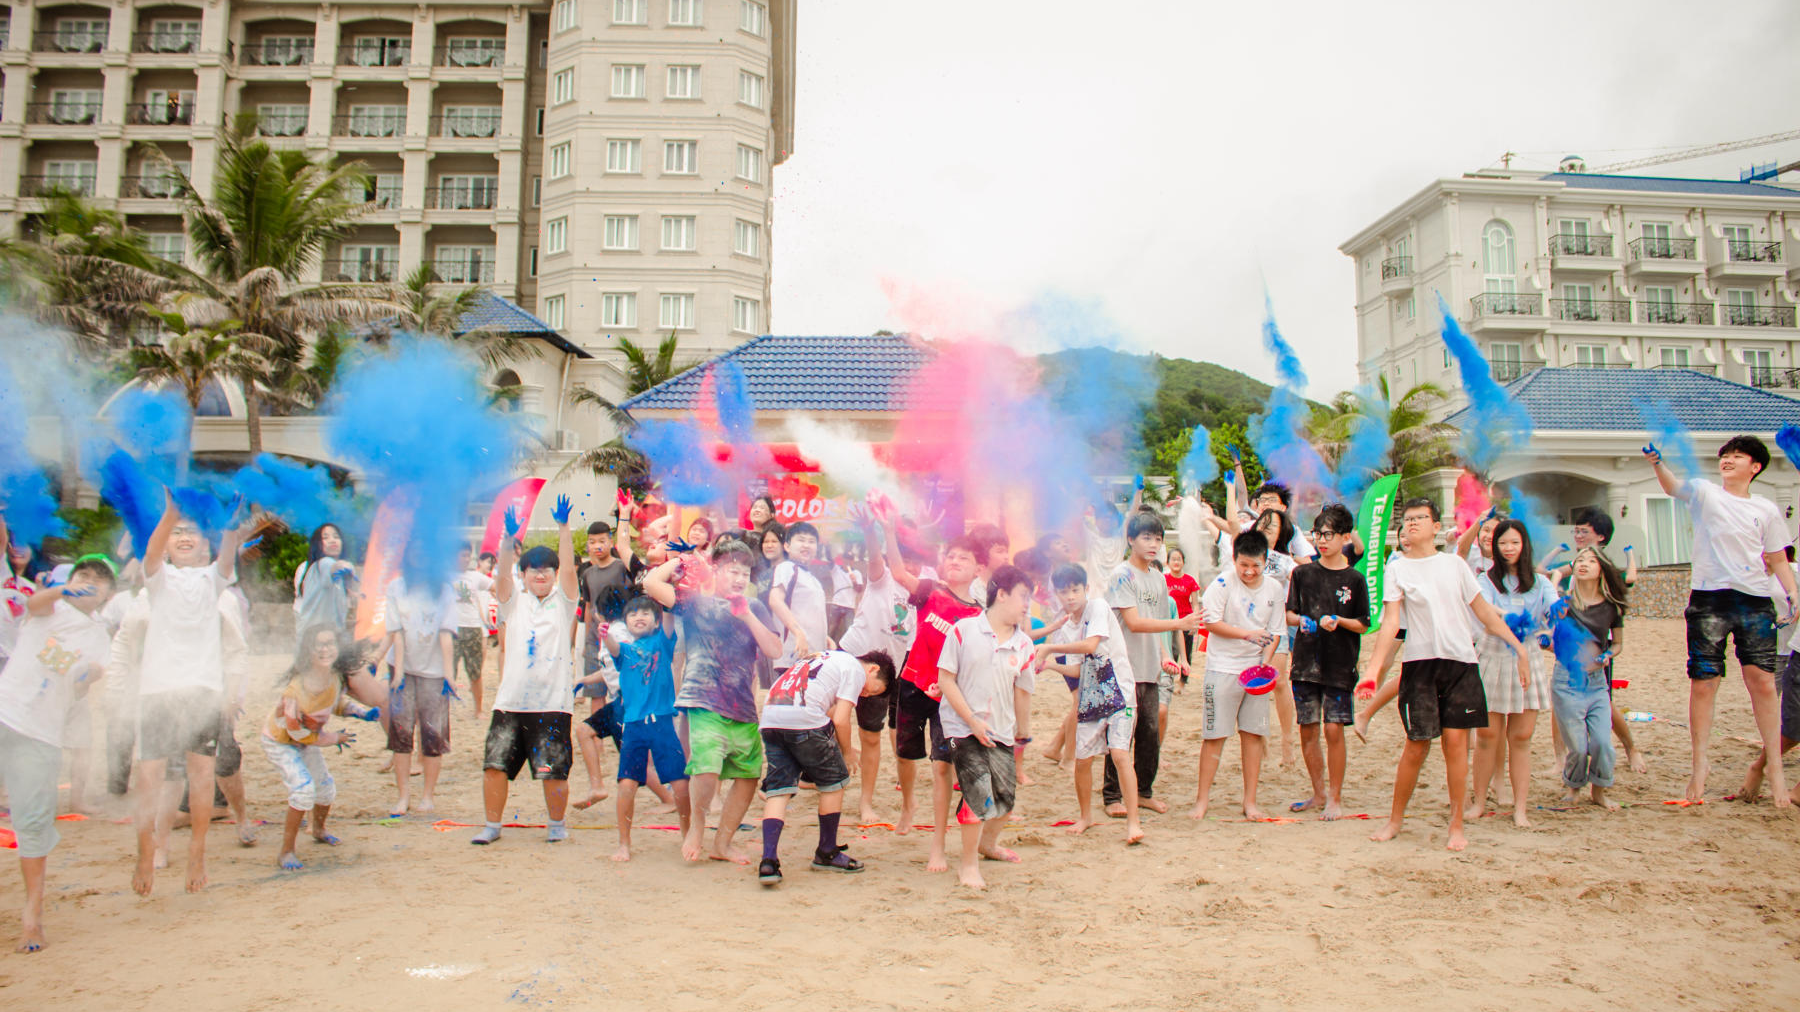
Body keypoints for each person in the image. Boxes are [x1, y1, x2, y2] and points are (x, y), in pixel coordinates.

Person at [1366, 498, 1532, 851]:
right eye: (1407, 519)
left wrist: (1518, 648)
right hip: (1420, 665)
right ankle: (1395, 821)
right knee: (1416, 746)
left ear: (1435, 527)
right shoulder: (1396, 569)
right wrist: (1373, 668)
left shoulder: (1454, 565)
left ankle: (1456, 825)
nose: (1411, 524)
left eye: (1419, 518)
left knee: (1456, 746)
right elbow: (1391, 623)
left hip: (1460, 663)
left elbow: (1485, 613)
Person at [1645, 436, 1796, 806]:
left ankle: (1774, 767)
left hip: (1755, 600)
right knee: (1704, 682)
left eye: (1737, 456)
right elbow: (1673, 486)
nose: (1727, 460)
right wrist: (1656, 463)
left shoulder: (1766, 509)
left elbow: (1777, 559)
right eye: (1724, 456)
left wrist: (1792, 594)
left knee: (1761, 681)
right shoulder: (1705, 492)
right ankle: (1700, 766)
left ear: (1755, 467)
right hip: (1709, 597)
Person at [131, 496, 253, 895]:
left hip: (201, 691)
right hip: (158, 691)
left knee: (201, 776)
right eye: (177, 533)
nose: (184, 537)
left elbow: (227, 562)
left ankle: (197, 851)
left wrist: (230, 527)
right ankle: (145, 850)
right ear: (168, 542)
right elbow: (150, 552)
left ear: (206, 544)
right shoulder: (158, 578)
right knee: (148, 778)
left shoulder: (213, 580)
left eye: (193, 533)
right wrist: (170, 512)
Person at [643, 538, 784, 864]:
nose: (739, 578)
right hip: (702, 699)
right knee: (706, 767)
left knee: (748, 776)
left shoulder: (756, 607)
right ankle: (698, 826)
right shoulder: (696, 602)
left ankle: (723, 843)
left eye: (745, 572)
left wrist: (747, 614)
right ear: (716, 570)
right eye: (732, 570)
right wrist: (683, 560)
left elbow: (775, 651)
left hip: (742, 705)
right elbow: (651, 583)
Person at [0, 555, 115, 952]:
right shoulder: (49, 608)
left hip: (42, 734)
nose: (89, 584)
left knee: (32, 826)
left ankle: (33, 918)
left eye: (99, 582)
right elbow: (35, 604)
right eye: (83, 576)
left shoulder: (100, 637)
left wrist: (88, 677)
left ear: (108, 595)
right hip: (4, 712)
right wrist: (64, 589)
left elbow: (83, 684)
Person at [876, 507, 983, 871]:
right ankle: (908, 804)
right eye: (950, 556)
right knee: (904, 754)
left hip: (945, 696)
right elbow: (897, 572)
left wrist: (949, 685)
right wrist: (890, 532)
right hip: (911, 683)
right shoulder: (930, 591)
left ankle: (937, 844)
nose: (954, 562)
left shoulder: (977, 616)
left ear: (977, 569)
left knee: (941, 768)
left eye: (963, 558)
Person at [471, 497, 579, 845]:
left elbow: (569, 572)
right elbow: (502, 575)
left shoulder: (564, 603)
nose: (541, 574)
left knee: (553, 771)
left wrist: (564, 529)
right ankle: (492, 826)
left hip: (552, 703)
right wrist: (507, 539)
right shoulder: (513, 602)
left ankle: (557, 826)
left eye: (547, 568)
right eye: (534, 569)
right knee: (495, 766)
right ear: (525, 574)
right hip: (511, 701)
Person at [756, 649, 894, 885]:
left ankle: (768, 861)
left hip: (771, 715)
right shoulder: (854, 668)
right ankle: (827, 851)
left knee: (779, 790)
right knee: (835, 781)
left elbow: (824, 708)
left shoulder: (825, 656)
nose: (864, 694)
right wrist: (848, 752)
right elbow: (840, 719)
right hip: (802, 720)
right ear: (873, 669)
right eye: (871, 689)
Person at [937, 565, 1037, 890]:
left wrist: (1023, 733)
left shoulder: (1025, 646)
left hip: (1001, 730)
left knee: (1005, 800)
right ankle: (968, 866)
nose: (1027, 605)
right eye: (1023, 596)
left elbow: (1023, 692)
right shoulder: (963, 630)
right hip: (962, 726)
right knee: (978, 793)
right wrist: (971, 721)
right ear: (1003, 594)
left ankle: (987, 844)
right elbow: (945, 679)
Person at [1037, 563, 1144, 843]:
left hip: (1120, 693)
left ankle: (1134, 823)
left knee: (1120, 756)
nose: (1070, 596)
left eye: (1075, 589)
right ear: (1056, 595)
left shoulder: (1097, 607)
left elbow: (1091, 646)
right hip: (1091, 698)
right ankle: (1085, 817)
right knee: (1082, 761)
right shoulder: (1066, 628)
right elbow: (1076, 669)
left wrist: (1049, 648)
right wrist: (1049, 665)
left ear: (1085, 589)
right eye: (1064, 592)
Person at [1103, 511, 1200, 816]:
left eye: (1158, 538)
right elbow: (1133, 622)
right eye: (1146, 537)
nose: (1153, 544)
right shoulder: (1122, 575)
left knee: (1149, 733)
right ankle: (1112, 796)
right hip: (1123, 668)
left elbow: (1159, 622)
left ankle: (1143, 791)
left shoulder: (1158, 578)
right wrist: (1179, 622)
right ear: (1131, 539)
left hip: (1149, 669)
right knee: (1121, 733)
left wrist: (1166, 656)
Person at [261, 625, 378, 871]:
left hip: (308, 740)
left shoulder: (334, 678)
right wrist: (333, 738)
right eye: (319, 644)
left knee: (325, 789)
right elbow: (296, 731)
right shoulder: (295, 689)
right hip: (281, 742)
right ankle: (286, 851)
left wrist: (363, 713)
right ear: (308, 650)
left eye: (330, 643)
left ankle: (318, 828)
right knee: (303, 790)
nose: (325, 649)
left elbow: (336, 703)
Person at [1188, 530, 1285, 821]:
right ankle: (1202, 801)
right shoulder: (1221, 584)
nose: (1250, 571)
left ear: (1266, 561)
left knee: (1253, 735)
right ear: (1234, 559)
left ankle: (1250, 801)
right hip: (1223, 668)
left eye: (1256, 565)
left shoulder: (1274, 589)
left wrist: (1265, 663)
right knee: (1215, 735)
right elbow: (1211, 622)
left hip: (1255, 673)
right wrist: (1248, 635)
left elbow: (1277, 631)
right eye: (1244, 564)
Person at [1467, 519, 1557, 827]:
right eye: (1502, 543)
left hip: (1527, 658)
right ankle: (1479, 801)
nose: (1508, 548)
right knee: (1487, 736)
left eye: (1514, 543)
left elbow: (1553, 614)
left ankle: (1520, 808)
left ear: (1525, 545)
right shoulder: (1485, 580)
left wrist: (1556, 621)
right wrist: (1513, 621)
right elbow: (1488, 615)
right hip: (1494, 655)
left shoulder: (1541, 583)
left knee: (1521, 737)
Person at [1284, 504, 1369, 821]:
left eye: (1329, 534)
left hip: (1339, 665)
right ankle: (1318, 792)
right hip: (1305, 663)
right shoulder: (1302, 574)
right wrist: (1301, 620)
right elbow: (1290, 612)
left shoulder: (1354, 579)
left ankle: (1335, 797)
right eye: (1318, 533)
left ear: (1345, 537)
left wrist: (1339, 621)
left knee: (1334, 729)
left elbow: (1364, 622)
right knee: (1308, 729)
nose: (1322, 540)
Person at [589, 595, 687, 862]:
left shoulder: (662, 643)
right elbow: (613, 647)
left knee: (680, 784)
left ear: (655, 621)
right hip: (633, 727)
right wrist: (605, 634)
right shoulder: (626, 650)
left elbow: (668, 613)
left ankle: (688, 836)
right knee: (627, 785)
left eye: (646, 613)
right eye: (633, 615)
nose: (639, 617)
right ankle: (624, 843)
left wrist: (666, 596)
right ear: (626, 623)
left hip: (663, 723)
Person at [839, 509, 916, 824]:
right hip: (852, 659)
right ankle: (824, 786)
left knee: (871, 737)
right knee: (831, 727)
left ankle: (865, 803)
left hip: (886, 675)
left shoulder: (927, 587)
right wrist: (876, 530)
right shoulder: (883, 578)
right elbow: (875, 559)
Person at [572, 520, 646, 810]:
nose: (596, 545)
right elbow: (588, 607)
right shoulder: (587, 573)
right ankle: (599, 758)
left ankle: (667, 796)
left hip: (617, 637)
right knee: (598, 700)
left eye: (602, 540)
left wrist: (625, 519)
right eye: (592, 542)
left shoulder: (619, 568)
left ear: (609, 541)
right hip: (599, 639)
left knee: (633, 758)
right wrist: (588, 637)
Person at [1552, 548, 1629, 811]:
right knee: (1577, 745)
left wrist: (1608, 654)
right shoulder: (1564, 603)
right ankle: (1573, 788)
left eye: (1591, 561)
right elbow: (1551, 638)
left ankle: (1599, 791)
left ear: (1602, 569)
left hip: (1597, 682)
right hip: (1567, 682)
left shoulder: (1612, 607)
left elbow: (1618, 644)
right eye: (1580, 560)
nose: (1584, 564)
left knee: (1602, 742)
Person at [382, 565, 457, 817]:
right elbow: (396, 633)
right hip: (402, 669)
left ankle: (428, 796)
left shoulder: (445, 590)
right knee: (401, 735)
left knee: (433, 736)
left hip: (434, 673)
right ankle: (403, 796)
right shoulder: (397, 587)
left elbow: (446, 633)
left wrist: (449, 675)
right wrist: (400, 672)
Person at [1738, 544, 1800, 805]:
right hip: (1785, 651)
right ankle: (1759, 766)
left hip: (1785, 648)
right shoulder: (1781, 575)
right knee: (1792, 729)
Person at [769, 521, 829, 668]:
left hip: (813, 656)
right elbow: (775, 600)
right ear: (787, 546)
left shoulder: (812, 578)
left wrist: (825, 638)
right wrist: (798, 633)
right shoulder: (787, 567)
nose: (806, 545)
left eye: (811, 541)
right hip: (793, 656)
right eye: (801, 540)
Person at [451, 545, 494, 712]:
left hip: (473, 627)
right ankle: (444, 708)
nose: (466, 559)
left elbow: (495, 587)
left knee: (475, 672)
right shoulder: (444, 576)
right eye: (463, 555)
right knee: (448, 672)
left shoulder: (475, 577)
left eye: (469, 555)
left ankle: (478, 710)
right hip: (452, 629)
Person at [1164, 547, 1201, 689]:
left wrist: (1195, 623)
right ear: (1168, 562)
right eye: (1173, 559)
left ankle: (1183, 682)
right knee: (1171, 652)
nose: (1176, 562)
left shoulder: (1190, 581)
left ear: (1183, 562)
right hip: (1170, 622)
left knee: (1186, 652)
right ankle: (1169, 680)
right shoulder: (1164, 579)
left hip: (1186, 621)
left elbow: (1196, 604)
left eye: (1179, 559)